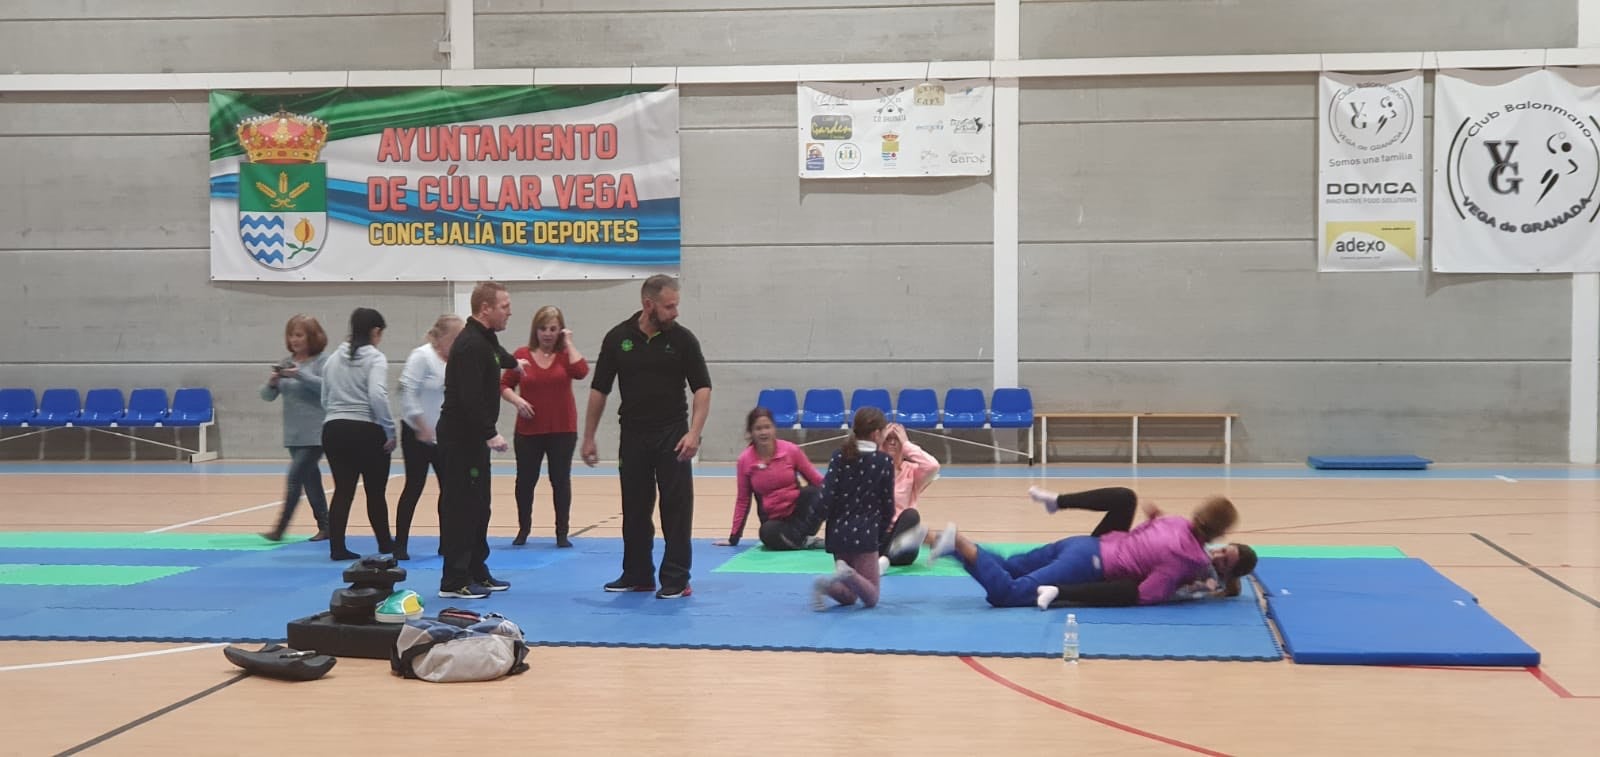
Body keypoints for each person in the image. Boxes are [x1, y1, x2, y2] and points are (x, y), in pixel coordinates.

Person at [581, 274, 712, 600]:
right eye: (669, 306)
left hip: (673, 434)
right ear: (648, 304)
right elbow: (600, 389)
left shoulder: (682, 340)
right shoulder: (617, 338)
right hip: (634, 434)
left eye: (676, 305)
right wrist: (589, 437)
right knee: (635, 507)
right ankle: (637, 574)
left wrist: (694, 433)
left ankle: (677, 578)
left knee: (676, 508)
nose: (675, 312)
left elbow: (703, 388)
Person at [925, 488, 1246, 608]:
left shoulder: (1174, 520)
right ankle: (960, 544)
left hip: (1084, 543)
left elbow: (1148, 536)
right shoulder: (1188, 560)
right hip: (1090, 564)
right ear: (1219, 534)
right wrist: (1174, 591)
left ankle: (944, 543)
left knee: (1009, 566)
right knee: (1007, 594)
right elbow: (1146, 593)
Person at [1025, 486, 1258, 608]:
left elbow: (1162, 590)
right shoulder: (1192, 538)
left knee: (1129, 591)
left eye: (1224, 560)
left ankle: (1061, 592)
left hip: (1119, 571)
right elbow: (1168, 547)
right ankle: (1057, 501)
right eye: (1223, 550)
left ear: (1227, 573)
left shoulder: (1206, 575)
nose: (1217, 555)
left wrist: (1198, 587)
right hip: (1116, 547)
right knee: (1126, 498)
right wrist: (1157, 520)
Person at [436, 282, 524, 599]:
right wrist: (491, 433)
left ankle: (476, 569)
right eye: (504, 306)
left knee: (479, 507)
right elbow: (470, 397)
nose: (509, 311)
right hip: (461, 439)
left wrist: (516, 364)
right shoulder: (470, 345)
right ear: (485, 308)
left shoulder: (484, 339)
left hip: (472, 441)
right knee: (461, 508)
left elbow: (498, 354)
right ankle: (454, 580)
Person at [501, 305, 588, 548]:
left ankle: (562, 532)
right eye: (543, 329)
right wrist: (517, 401)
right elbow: (504, 385)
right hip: (529, 431)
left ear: (560, 330)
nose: (548, 334)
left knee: (560, 480)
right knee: (525, 481)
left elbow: (581, 372)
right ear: (535, 330)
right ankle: (523, 530)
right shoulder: (522, 355)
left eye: (553, 329)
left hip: (562, 429)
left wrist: (569, 343)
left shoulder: (565, 357)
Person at [319, 308, 397, 561]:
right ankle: (385, 544)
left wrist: (336, 415)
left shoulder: (333, 358)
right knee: (375, 492)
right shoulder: (375, 358)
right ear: (376, 332)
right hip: (365, 429)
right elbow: (377, 395)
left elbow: (324, 397)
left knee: (343, 490)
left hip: (333, 428)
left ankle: (337, 547)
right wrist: (389, 428)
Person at [392, 314, 464, 561]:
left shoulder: (454, 361)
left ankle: (447, 543)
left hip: (444, 436)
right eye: (455, 338)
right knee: (414, 486)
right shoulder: (421, 356)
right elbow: (407, 393)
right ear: (441, 337)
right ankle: (400, 544)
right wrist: (421, 425)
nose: (458, 343)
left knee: (450, 490)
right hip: (417, 434)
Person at [809, 408, 896, 611]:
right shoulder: (883, 462)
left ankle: (828, 584)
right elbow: (888, 506)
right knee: (871, 596)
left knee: (849, 596)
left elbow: (826, 495)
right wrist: (881, 535)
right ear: (876, 434)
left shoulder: (839, 456)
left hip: (839, 533)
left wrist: (812, 523)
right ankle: (847, 573)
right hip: (865, 535)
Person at [714, 407, 825, 551]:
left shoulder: (791, 450)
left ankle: (798, 540)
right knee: (766, 533)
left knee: (817, 492)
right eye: (758, 428)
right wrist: (733, 537)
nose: (763, 432)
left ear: (774, 428)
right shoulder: (744, 460)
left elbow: (817, 480)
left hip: (801, 517)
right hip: (775, 522)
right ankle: (804, 541)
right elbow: (743, 500)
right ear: (751, 432)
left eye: (767, 427)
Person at [260, 314, 330, 543]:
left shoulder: (322, 362)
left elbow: (325, 388)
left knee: (294, 480)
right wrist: (272, 382)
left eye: (299, 335)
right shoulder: (286, 361)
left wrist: (299, 374)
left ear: (312, 336)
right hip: (293, 434)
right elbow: (267, 396)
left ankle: (280, 528)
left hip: (316, 433)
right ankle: (326, 525)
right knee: (311, 482)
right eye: (291, 335)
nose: (294, 339)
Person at [877, 422, 940, 570]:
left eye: (896, 439)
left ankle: (885, 560)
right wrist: (879, 442)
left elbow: (933, 466)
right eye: (888, 439)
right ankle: (884, 557)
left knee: (911, 515)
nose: (892, 442)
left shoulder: (912, 472)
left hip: (901, 548)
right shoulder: (873, 470)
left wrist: (906, 443)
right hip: (875, 541)